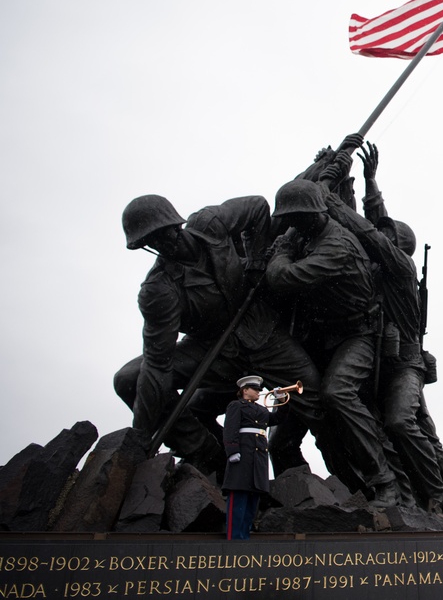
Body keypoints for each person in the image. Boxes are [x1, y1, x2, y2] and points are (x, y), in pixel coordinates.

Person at [113, 194, 337, 479]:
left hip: (263, 334)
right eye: (151, 241)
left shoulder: (211, 223)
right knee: (128, 379)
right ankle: (205, 450)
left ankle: (358, 479)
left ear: (175, 223)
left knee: (318, 402)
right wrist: (139, 440)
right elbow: (158, 365)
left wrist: (256, 262)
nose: (160, 243)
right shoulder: (158, 291)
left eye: (162, 233)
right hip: (213, 351)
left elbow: (258, 207)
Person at [324, 149, 443, 515]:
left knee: (402, 422)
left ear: (397, 245)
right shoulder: (383, 266)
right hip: (384, 360)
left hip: (404, 366)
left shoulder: (400, 267)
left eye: (386, 236)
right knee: (387, 428)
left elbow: (371, 230)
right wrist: (368, 181)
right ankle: (407, 496)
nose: (378, 235)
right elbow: (376, 223)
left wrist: (330, 199)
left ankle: (440, 496)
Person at [265, 179, 400, 507]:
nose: (292, 226)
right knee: (280, 438)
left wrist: (280, 253)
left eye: (298, 219)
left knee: (337, 392)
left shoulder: (335, 245)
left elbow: (284, 278)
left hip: (357, 336)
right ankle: (300, 499)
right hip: (319, 341)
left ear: (314, 215)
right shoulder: (307, 232)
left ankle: (385, 483)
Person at [222, 375, 288, 540]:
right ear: (245, 390)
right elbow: (230, 428)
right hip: (242, 457)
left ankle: (244, 536)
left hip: (258, 460)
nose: (259, 392)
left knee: (252, 503)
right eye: (255, 389)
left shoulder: (262, 410)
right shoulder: (236, 406)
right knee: (238, 501)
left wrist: (281, 399)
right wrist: (232, 451)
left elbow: (278, 418)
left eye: (259, 389)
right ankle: (234, 538)